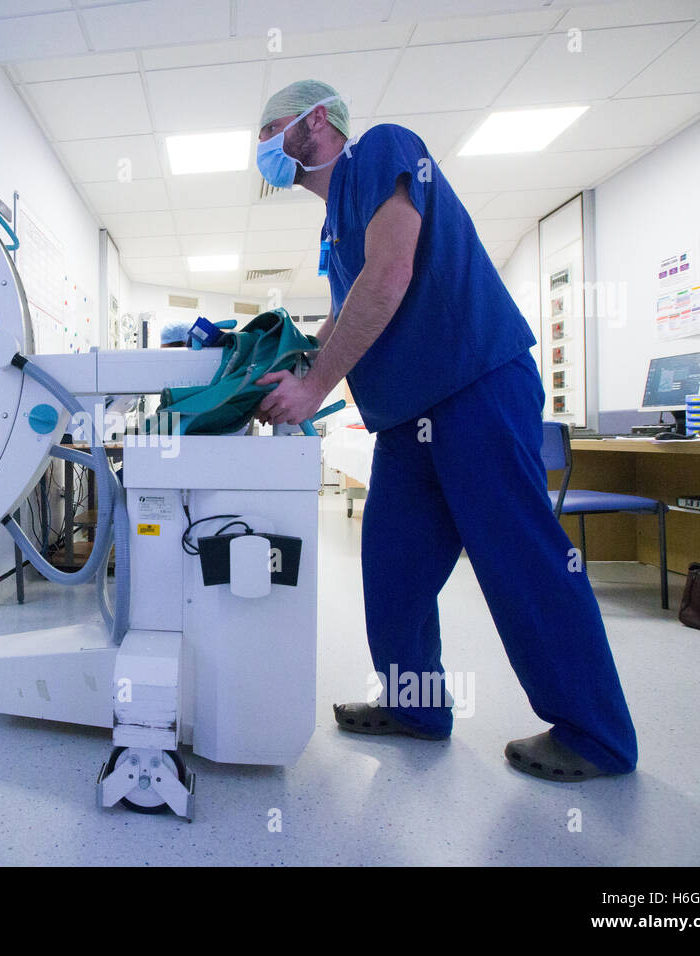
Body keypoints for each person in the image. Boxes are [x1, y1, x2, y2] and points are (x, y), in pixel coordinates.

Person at [252, 79, 637, 781]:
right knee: (393, 568)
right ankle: (416, 707)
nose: (262, 146)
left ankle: (596, 733)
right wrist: (298, 366)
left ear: (317, 121)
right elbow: (346, 307)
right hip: (408, 419)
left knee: (519, 561)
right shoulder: (333, 225)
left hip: (472, 389)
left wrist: (316, 389)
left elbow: (391, 273)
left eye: (271, 129)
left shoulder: (382, 151)